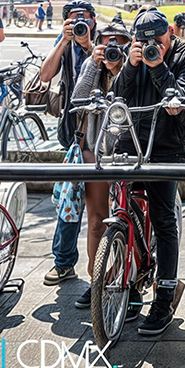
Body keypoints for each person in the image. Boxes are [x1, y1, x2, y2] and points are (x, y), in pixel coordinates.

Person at [111, 7, 185, 336]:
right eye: (146, 42)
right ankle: (128, 281)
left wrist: (158, 66)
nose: (153, 46)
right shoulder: (132, 54)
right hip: (130, 141)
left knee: (164, 220)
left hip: (168, 145)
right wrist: (130, 65)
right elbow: (118, 97)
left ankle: (164, 296)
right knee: (121, 210)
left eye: (159, 41)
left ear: (170, 34)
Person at [68, 23, 132, 310]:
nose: (113, 48)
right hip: (95, 151)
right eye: (106, 43)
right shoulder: (91, 66)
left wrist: (123, 68)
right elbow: (77, 101)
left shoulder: (134, 67)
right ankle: (97, 281)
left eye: (119, 42)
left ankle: (126, 279)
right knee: (96, 221)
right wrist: (94, 66)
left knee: (127, 219)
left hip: (128, 151)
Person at [40, 0, 99, 286]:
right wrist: (64, 41)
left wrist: (88, 45)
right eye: (73, 19)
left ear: (94, 20)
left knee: (102, 207)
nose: (80, 24)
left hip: (102, 131)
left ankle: (105, 266)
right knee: (69, 198)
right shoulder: (63, 43)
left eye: (84, 18)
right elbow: (45, 75)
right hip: (74, 133)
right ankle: (63, 262)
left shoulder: (105, 40)